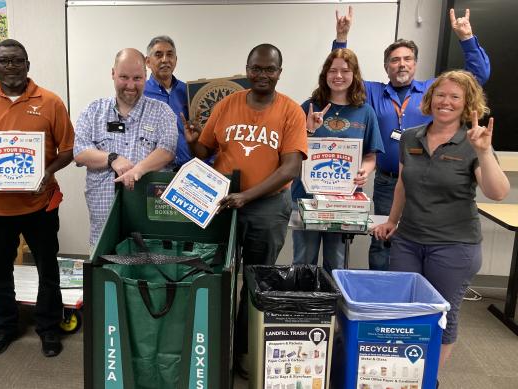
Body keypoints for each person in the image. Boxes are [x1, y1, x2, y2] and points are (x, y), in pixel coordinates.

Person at [183, 43, 308, 378]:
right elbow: (204, 150)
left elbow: (290, 169)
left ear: (279, 72)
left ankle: (243, 353)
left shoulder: (290, 111)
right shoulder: (228, 104)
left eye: (269, 69)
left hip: (266, 208)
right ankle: (211, 346)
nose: (262, 75)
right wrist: (193, 140)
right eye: (256, 68)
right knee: (215, 278)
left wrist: (247, 196)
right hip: (223, 204)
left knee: (254, 282)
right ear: (247, 68)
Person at [333, 7, 491, 270]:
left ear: (415, 64)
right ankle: (382, 301)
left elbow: (477, 77)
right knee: (383, 240)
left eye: (407, 59)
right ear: (386, 66)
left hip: (431, 183)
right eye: (395, 60)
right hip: (388, 183)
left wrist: (466, 39)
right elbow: (338, 77)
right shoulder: (372, 92)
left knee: (425, 245)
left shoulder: (433, 90)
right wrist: (341, 38)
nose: (402, 64)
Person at [373, 70, 509, 373]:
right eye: (440, 94)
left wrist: (484, 152)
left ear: (467, 104)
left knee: (441, 314)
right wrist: (392, 221)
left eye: (454, 97)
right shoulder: (411, 136)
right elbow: (403, 184)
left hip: (454, 246)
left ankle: (427, 378)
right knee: (404, 310)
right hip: (408, 240)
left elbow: (497, 192)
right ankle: (402, 375)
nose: (445, 102)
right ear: (430, 97)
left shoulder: (473, 141)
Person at [0, 39, 75, 358]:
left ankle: (49, 328)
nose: (11, 66)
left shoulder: (50, 102)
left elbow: (67, 150)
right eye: (4, 61)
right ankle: (5, 328)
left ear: (27, 64)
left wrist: (49, 172)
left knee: (47, 269)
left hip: (40, 205)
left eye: (17, 61)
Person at [291, 48, 384, 273]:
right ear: (325, 74)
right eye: (333, 70)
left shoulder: (365, 112)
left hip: (344, 201)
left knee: (337, 261)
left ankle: (333, 306)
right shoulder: (309, 106)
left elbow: (371, 156)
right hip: (306, 198)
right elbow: (293, 151)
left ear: (354, 75)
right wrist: (309, 131)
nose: (339, 76)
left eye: (345, 70)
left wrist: (365, 170)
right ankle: (304, 305)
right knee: (304, 260)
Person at [73, 48, 177, 247]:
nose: (130, 85)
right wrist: (113, 158)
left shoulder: (162, 112)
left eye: (137, 78)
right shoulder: (93, 111)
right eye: (124, 77)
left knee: (150, 268)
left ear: (146, 76)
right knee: (104, 269)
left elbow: (167, 149)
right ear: (113, 74)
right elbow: (80, 151)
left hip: (148, 215)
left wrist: (137, 170)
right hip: (103, 217)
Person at [143, 35, 191, 168]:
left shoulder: (188, 92)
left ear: (176, 60)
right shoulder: (139, 94)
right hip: (154, 171)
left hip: (187, 168)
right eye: (158, 55)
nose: (165, 60)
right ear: (147, 61)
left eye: (170, 55)